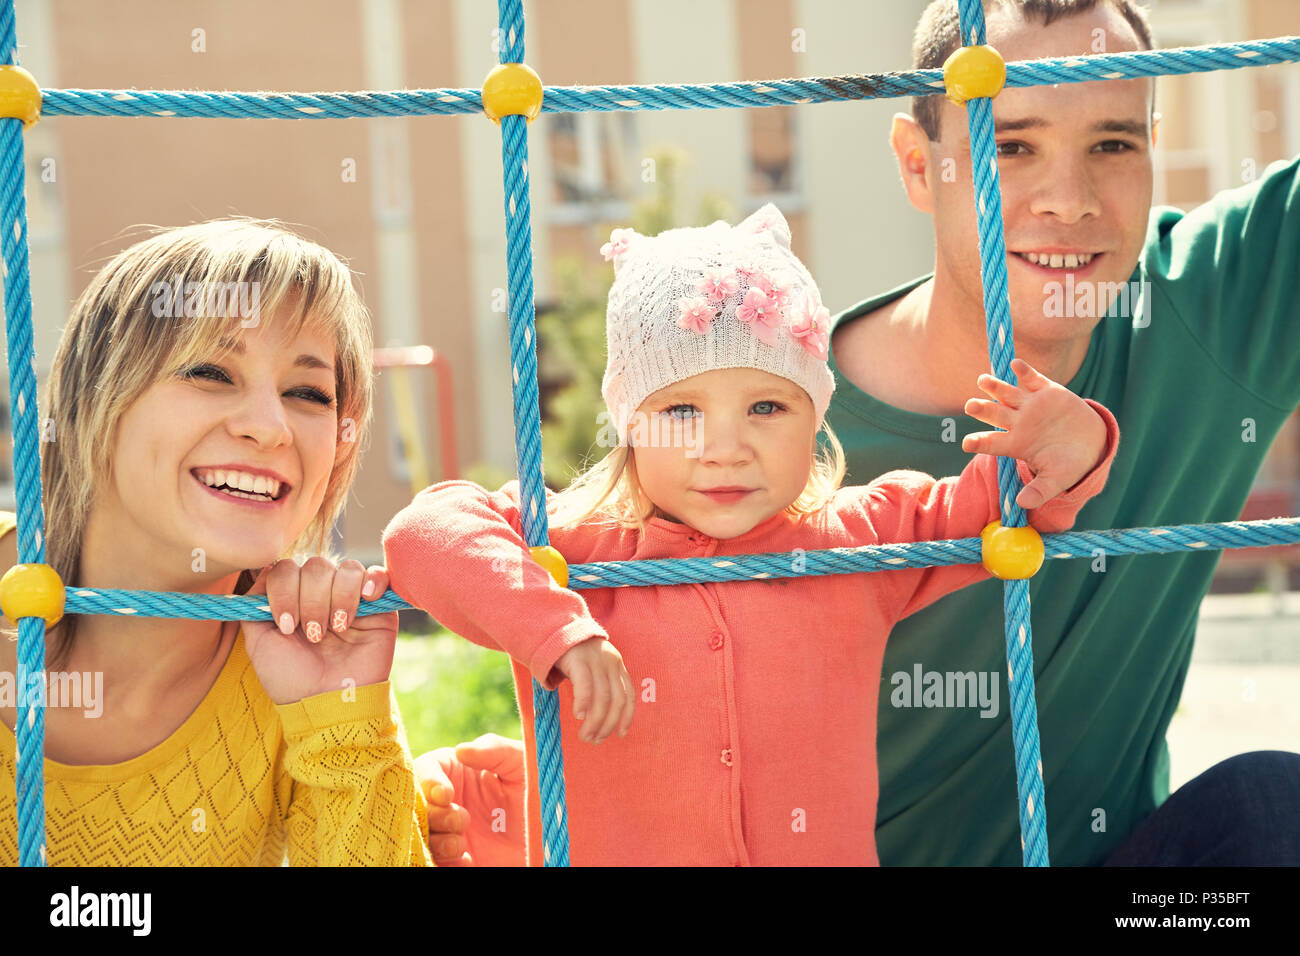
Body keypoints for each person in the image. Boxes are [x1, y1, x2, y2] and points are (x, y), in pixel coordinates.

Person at [384, 203, 1120, 865]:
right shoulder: (575, 550)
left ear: (817, 416)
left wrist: (1072, 440)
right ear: (628, 424)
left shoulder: (854, 541)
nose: (726, 447)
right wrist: (558, 633)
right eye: (681, 412)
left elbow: (1011, 504)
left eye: (767, 407)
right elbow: (422, 531)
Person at [825, 0, 1300, 865]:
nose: (1069, 201)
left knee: (1271, 810)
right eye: (1012, 147)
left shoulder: (1205, 307)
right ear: (915, 163)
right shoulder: (767, 438)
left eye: (1113, 144)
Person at [0, 219, 432, 866]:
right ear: (95, 401)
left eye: (308, 392)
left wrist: (346, 730)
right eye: (210, 372)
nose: (270, 427)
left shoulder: (305, 667)